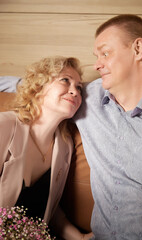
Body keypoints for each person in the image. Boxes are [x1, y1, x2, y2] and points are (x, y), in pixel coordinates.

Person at [75, 14, 142, 239]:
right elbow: (36, 85)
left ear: (138, 49)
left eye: (105, 53)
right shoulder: (83, 97)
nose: (97, 64)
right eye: (97, 56)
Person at [0, 56, 93, 240]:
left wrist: (80, 238)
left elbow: (49, 206)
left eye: (79, 88)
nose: (74, 91)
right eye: (65, 80)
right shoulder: (5, 126)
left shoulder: (65, 147)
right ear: (39, 86)